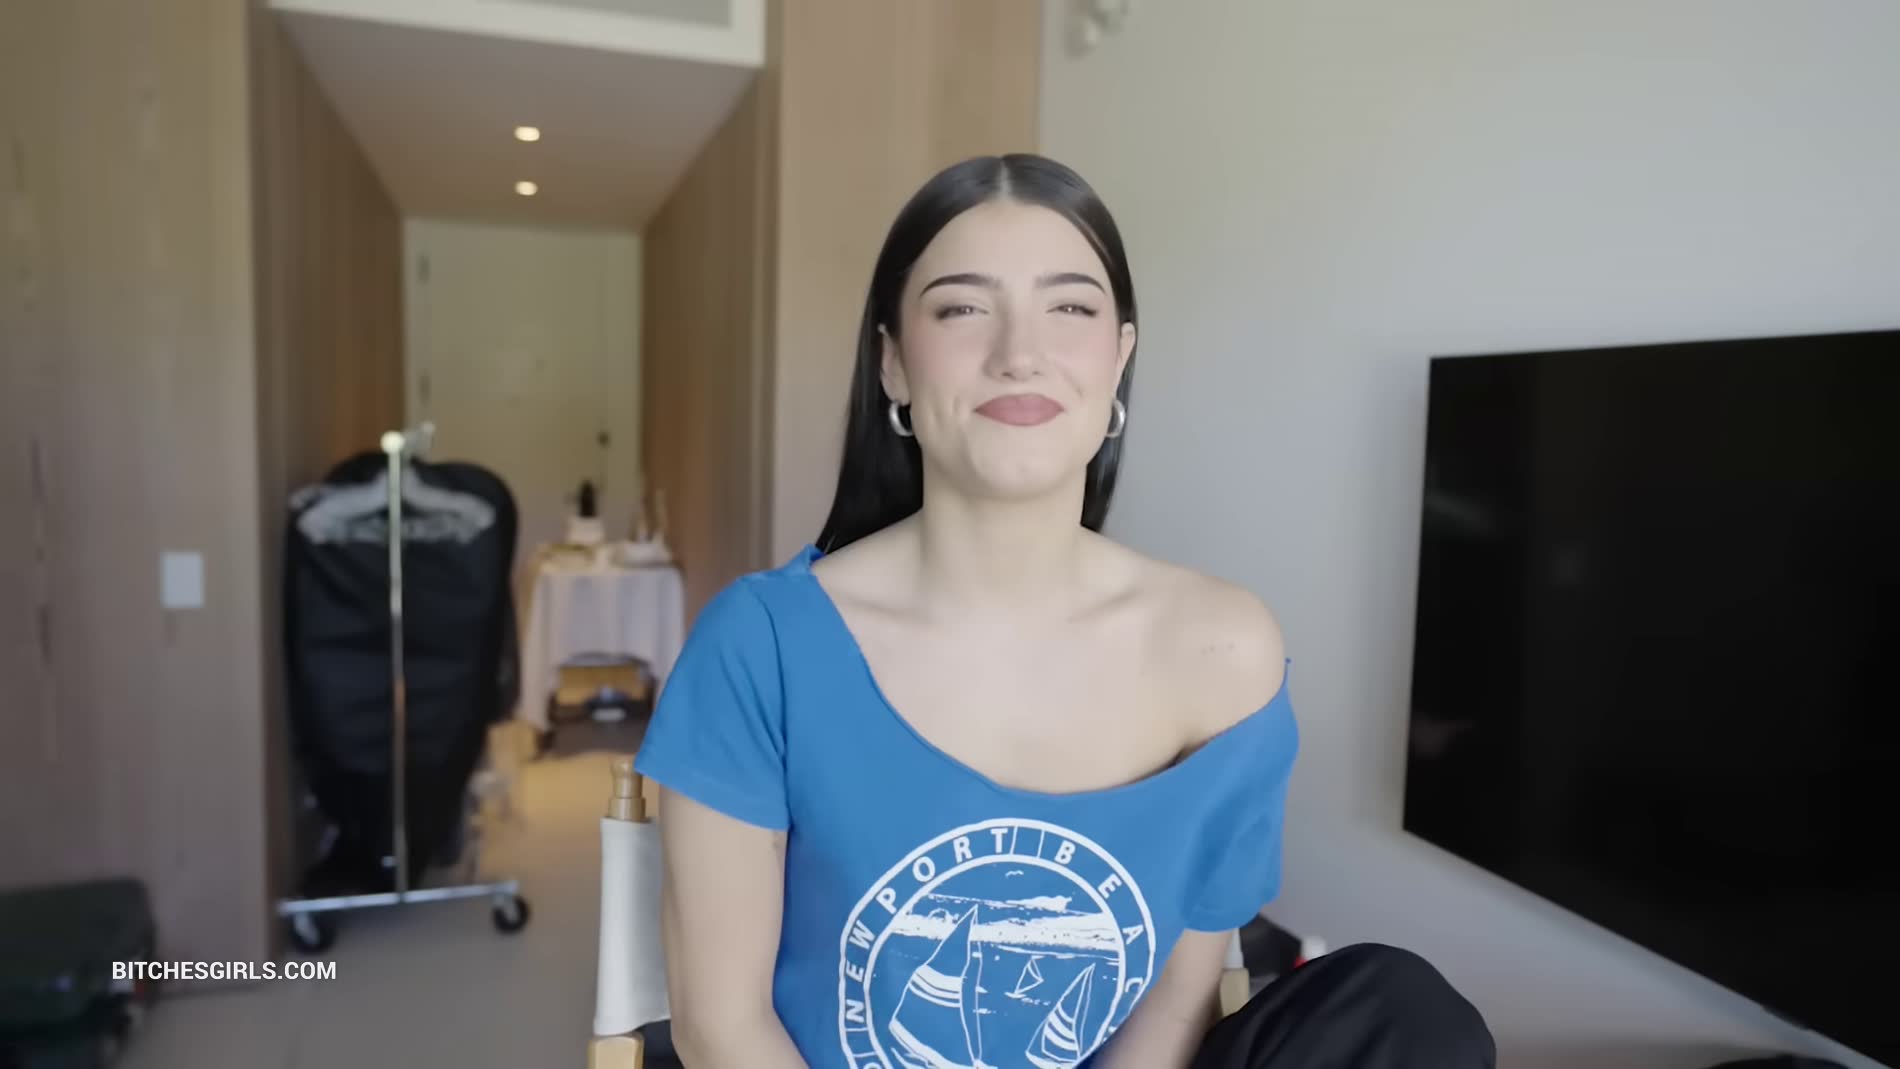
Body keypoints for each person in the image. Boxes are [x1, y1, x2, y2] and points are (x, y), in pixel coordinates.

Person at [634, 154, 1494, 1069]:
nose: (1020, 352)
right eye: (962, 308)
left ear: (1119, 356)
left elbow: (1176, 1005)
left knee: (1401, 1008)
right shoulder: (762, 645)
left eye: (1071, 308)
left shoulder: (1221, 650)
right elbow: (721, 1027)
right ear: (892, 362)